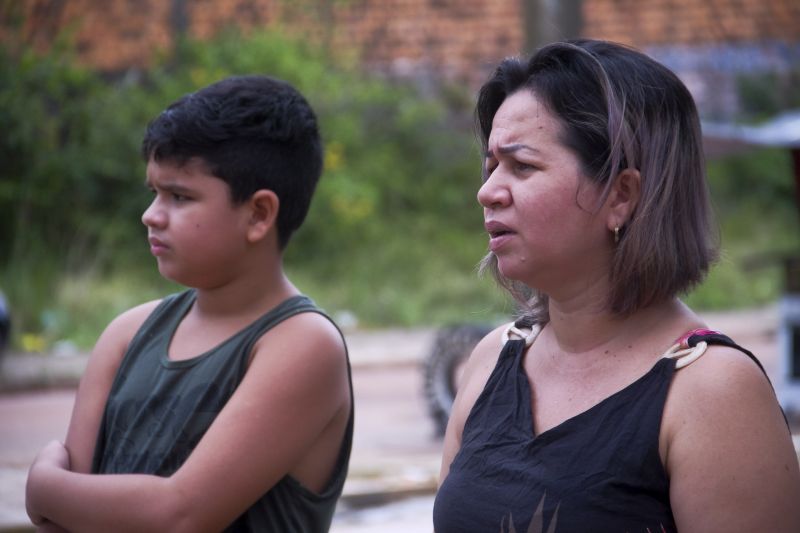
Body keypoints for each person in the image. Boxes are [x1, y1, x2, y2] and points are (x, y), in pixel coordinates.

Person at [433, 39, 800, 532]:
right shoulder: (490, 360)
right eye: (491, 166)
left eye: (522, 166)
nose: (488, 191)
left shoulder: (712, 393)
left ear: (621, 195)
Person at [25, 75, 353, 533]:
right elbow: (61, 523)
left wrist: (43, 486)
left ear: (258, 214)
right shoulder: (127, 334)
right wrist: (60, 502)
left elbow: (180, 514)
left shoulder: (301, 345)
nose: (151, 215)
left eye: (180, 196)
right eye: (154, 192)